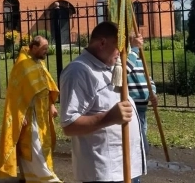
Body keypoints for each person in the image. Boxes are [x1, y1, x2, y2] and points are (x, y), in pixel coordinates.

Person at [59, 21, 146, 183]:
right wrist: (109, 117)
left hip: (126, 168)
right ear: (103, 43)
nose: (122, 52)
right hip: (104, 173)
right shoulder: (78, 71)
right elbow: (69, 125)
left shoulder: (109, 67)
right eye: (118, 46)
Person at [0, 36, 62, 183]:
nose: (46, 51)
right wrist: (20, 114)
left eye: (47, 47)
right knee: (34, 146)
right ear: (33, 47)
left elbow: (47, 85)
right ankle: (48, 178)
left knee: (40, 145)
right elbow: (15, 93)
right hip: (30, 114)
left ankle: (32, 177)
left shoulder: (39, 62)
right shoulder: (22, 65)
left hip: (42, 112)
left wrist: (51, 104)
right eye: (44, 48)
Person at [126, 35, 158, 154]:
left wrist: (152, 93)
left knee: (142, 134)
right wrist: (134, 49)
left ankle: (140, 158)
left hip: (142, 106)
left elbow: (149, 80)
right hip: (132, 107)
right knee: (138, 141)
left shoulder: (139, 60)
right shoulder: (126, 59)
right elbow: (126, 69)